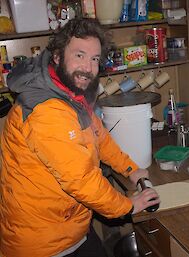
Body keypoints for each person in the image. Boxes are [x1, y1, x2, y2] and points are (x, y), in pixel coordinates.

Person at [0, 18, 160, 257]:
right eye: (79, 55)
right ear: (57, 56)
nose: (88, 67)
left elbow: (100, 137)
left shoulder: (70, 94)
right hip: (43, 242)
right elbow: (81, 180)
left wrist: (130, 168)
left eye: (94, 59)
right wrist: (128, 206)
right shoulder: (47, 110)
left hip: (68, 225)